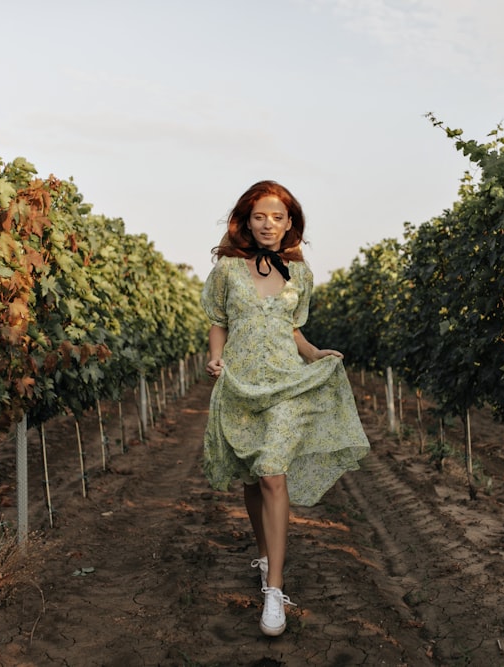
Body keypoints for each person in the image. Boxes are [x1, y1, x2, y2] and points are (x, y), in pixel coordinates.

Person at [201, 180, 370, 637]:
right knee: (256, 476)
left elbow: (292, 328)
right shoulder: (227, 271)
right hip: (241, 384)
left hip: (285, 384)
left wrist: (314, 355)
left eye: (277, 217)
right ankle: (263, 554)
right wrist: (215, 357)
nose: (268, 224)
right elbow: (219, 321)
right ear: (246, 221)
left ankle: (274, 590)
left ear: (290, 221)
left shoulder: (301, 273)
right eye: (259, 217)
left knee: (274, 473)